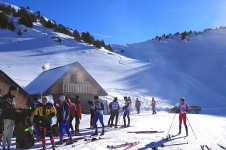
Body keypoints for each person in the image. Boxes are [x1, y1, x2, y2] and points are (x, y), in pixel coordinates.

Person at [1, 86, 19, 150]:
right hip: (7, 118)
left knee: (11, 133)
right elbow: (5, 108)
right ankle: (3, 146)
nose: (16, 93)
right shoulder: (5, 98)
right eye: (16, 91)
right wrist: (15, 110)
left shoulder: (12, 99)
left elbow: (12, 108)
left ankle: (8, 146)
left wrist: (18, 111)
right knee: (6, 132)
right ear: (12, 90)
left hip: (12, 119)